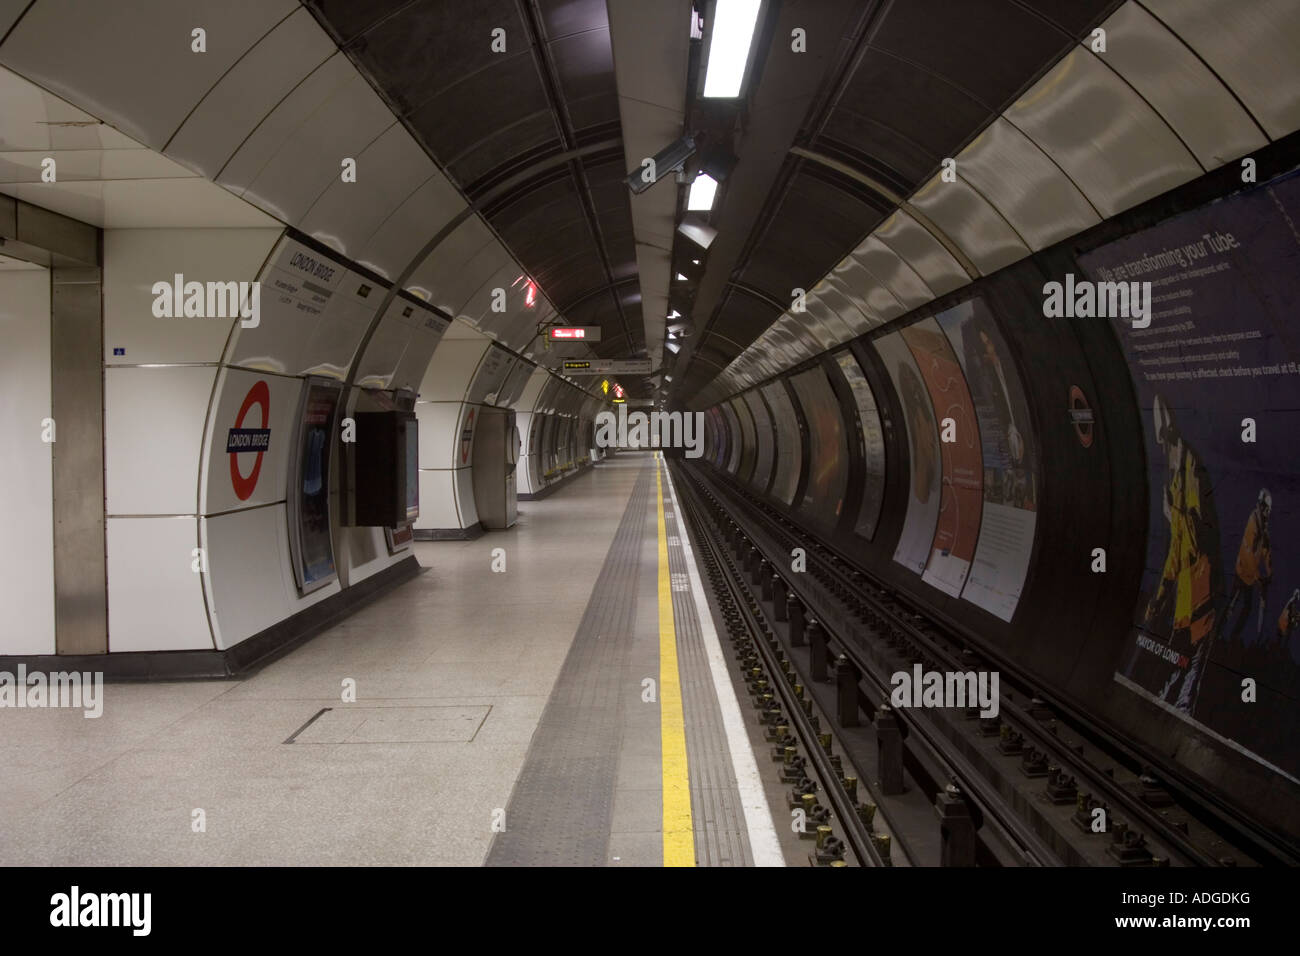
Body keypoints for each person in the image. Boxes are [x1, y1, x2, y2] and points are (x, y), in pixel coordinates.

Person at [1139, 395, 1222, 716]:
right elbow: (1174, 557)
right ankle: (1167, 709)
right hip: (1189, 601)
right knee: (1184, 659)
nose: (1165, 450)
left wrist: (1173, 516)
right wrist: (1159, 599)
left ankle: (1174, 710)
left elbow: (1195, 534)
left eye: (1167, 442)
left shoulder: (1189, 469)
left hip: (1201, 594)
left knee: (1189, 663)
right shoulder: (1175, 481)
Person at [1220, 490, 1274, 646]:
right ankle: (1218, 631)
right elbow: (1248, 551)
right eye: (1266, 508)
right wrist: (1258, 577)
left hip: (1250, 576)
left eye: (1268, 509)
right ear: (1262, 506)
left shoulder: (1263, 526)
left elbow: (1266, 551)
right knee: (1232, 604)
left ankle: (1233, 636)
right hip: (1242, 571)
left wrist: (1270, 573)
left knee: (1247, 607)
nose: (1267, 512)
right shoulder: (1253, 522)